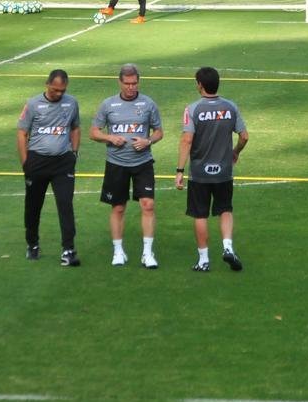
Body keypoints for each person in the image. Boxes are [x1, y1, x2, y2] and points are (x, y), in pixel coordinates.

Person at [90, 64, 164, 269]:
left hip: (143, 163)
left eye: (134, 83)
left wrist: (148, 141)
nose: (131, 87)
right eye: (127, 84)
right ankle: (118, 251)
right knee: (118, 207)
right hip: (116, 164)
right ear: (119, 82)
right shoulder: (108, 104)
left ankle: (147, 253)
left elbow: (159, 132)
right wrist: (110, 138)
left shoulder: (148, 104)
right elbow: (94, 132)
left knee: (148, 205)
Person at [175, 66, 248, 272]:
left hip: (199, 173)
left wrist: (180, 170)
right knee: (225, 209)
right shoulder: (230, 107)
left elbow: (187, 140)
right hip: (224, 171)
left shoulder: (193, 109)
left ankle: (204, 260)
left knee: (200, 214)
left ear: (200, 85)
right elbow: (244, 136)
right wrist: (235, 152)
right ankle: (228, 248)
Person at [17, 69, 82, 266]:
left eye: (62, 90)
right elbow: (22, 133)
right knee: (33, 205)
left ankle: (68, 250)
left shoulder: (72, 103)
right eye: (55, 90)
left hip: (62, 162)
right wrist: (26, 162)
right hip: (37, 162)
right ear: (47, 84)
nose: (59, 94)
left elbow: (75, 127)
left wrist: (74, 153)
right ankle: (32, 243)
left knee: (65, 204)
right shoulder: (33, 104)